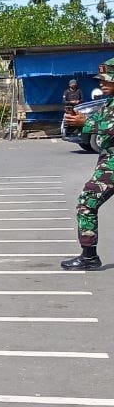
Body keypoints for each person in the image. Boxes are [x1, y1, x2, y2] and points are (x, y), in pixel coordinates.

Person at [60, 59, 114, 270]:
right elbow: (96, 127)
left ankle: (89, 257)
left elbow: (106, 127)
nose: (102, 83)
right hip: (107, 159)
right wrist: (76, 122)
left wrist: (87, 122)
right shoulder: (109, 103)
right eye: (100, 79)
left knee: (87, 201)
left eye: (107, 79)